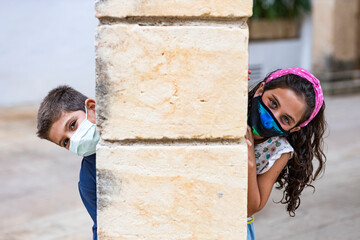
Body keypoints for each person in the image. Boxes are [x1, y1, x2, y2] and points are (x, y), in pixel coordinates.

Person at [245, 68, 326, 240]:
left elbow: (251, 207)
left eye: (285, 119)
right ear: (260, 90)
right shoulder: (233, 110)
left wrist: (250, 161)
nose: (271, 117)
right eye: (273, 103)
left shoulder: (279, 150)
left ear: (294, 128)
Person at [36, 86, 99, 240]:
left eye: (72, 125)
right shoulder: (88, 180)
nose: (74, 138)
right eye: (65, 142)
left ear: (91, 108)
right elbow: (104, 226)